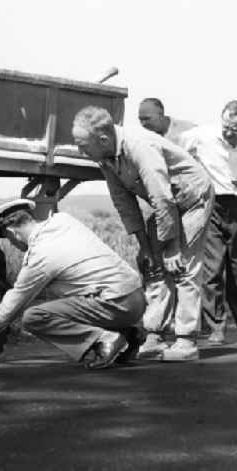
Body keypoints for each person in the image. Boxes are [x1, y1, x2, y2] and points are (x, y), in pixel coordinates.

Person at [72, 106, 213, 362]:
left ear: (103, 139)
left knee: (182, 266)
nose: (81, 152)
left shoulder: (139, 147)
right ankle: (155, 335)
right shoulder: (105, 157)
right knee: (152, 267)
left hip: (191, 197)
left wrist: (171, 247)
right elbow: (124, 204)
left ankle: (187, 340)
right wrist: (146, 248)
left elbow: (161, 196)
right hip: (167, 204)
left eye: (84, 146)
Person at [0, 199, 146, 370]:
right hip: (136, 299)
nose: (12, 244)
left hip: (115, 304)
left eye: (9, 239)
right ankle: (130, 334)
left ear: (11, 230)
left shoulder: (41, 255)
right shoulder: (63, 221)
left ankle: (104, 339)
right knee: (71, 294)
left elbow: (16, 299)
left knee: (34, 317)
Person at [182, 100, 237, 345]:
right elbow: (176, 145)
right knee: (211, 271)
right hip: (211, 205)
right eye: (225, 125)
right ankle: (214, 330)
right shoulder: (202, 136)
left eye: (234, 128)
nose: (228, 131)